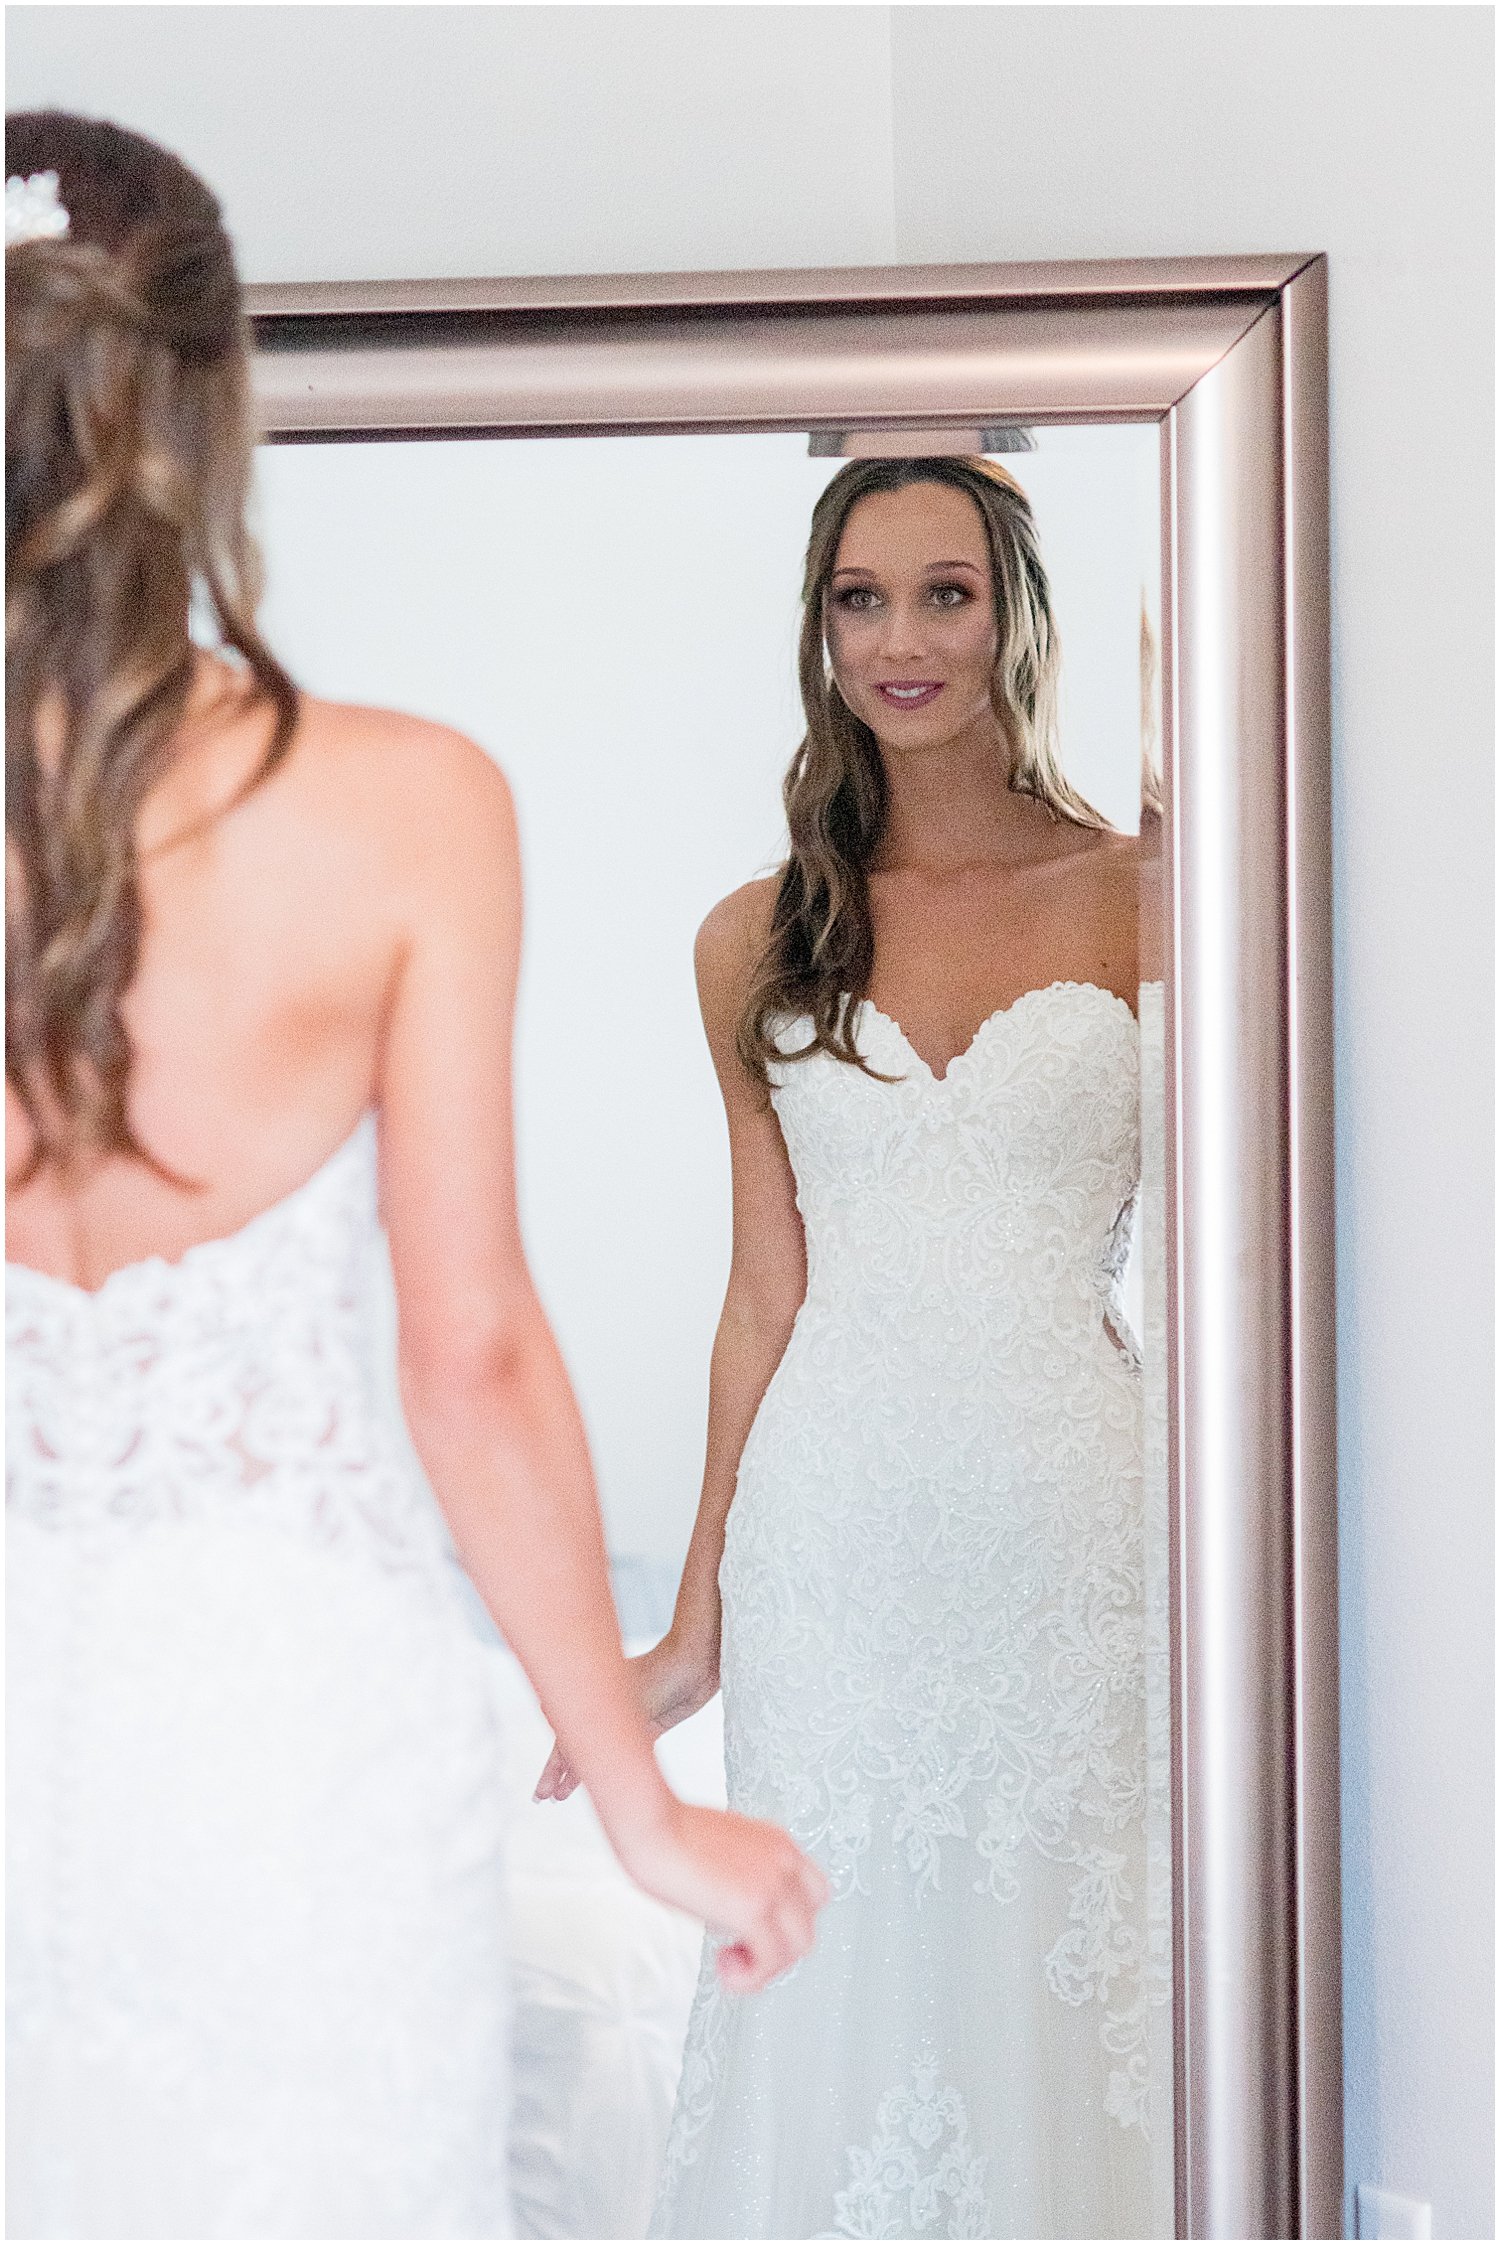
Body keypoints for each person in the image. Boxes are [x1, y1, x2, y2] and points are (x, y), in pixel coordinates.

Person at [4, 111, 825, 2244]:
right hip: (288, 1718)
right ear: (206, 406)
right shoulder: (399, 803)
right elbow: (470, 1353)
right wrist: (640, 1808)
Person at [539, 456, 1168, 2238]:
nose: (903, 638)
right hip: (837, 1549)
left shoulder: (1156, 892)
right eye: (859, 596)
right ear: (818, 631)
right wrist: (691, 1627)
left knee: (1083, 1955)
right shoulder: (753, 935)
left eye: (947, 592)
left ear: (1016, 615)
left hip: (1082, 1527)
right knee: (837, 1980)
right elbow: (762, 1298)